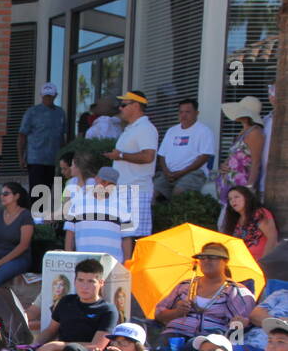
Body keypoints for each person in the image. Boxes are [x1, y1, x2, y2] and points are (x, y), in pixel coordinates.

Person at [151, 242, 256, 351]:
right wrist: (176, 312)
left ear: (224, 262)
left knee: (195, 346)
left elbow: (244, 321)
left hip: (209, 337)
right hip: (176, 333)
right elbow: (159, 315)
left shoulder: (235, 290)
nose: (206, 261)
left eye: (213, 258)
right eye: (203, 258)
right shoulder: (186, 285)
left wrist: (239, 322)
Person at [105, 89, 158, 256]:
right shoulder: (131, 129)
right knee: (124, 236)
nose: (120, 108)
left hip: (136, 190)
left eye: (123, 105)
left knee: (136, 237)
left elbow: (148, 156)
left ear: (136, 106)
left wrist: (120, 155)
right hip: (125, 190)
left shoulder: (145, 128)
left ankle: (136, 276)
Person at [153, 99, 216, 200]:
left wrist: (181, 173)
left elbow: (204, 157)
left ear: (197, 113)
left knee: (178, 193)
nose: (183, 115)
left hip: (193, 173)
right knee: (151, 193)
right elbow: (161, 155)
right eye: (181, 112)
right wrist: (166, 172)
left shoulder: (204, 131)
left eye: (187, 112)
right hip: (169, 173)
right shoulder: (171, 131)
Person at [63, 165, 127, 263]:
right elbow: (69, 233)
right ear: (96, 179)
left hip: (113, 264)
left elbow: (127, 238)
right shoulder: (77, 202)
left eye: (110, 184)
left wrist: (127, 264)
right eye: (103, 181)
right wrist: (69, 259)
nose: (105, 186)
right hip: (84, 263)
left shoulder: (123, 206)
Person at [18, 82, 66, 198]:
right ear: (41, 96)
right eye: (46, 96)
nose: (48, 98)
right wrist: (21, 157)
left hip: (54, 159)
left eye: (50, 96)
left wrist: (63, 156)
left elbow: (62, 136)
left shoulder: (60, 113)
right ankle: (35, 215)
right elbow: (22, 135)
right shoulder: (32, 112)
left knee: (49, 191)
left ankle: (45, 215)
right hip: (36, 159)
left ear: (55, 96)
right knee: (36, 191)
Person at [216, 95, 266, 201]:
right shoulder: (243, 131)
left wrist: (249, 188)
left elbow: (256, 163)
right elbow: (236, 155)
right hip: (230, 187)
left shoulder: (254, 133)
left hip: (241, 186)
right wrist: (225, 165)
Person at [0, 182, 35, 286]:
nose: (2, 196)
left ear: (16, 196)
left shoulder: (25, 215)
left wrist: (1, 262)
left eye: (6, 194)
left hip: (18, 260)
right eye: (1, 194)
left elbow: (24, 245)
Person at [220, 185, 277, 261]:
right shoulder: (235, 221)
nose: (233, 201)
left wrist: (264, 261)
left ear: (246, 197)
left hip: (262, 263)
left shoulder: (259, 213)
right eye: (230, 199)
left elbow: (272, 237)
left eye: (236, 197)